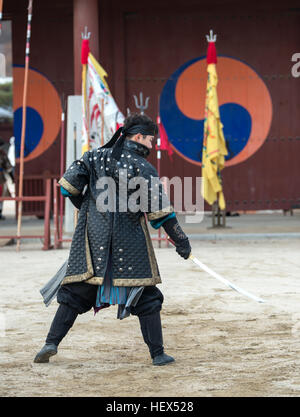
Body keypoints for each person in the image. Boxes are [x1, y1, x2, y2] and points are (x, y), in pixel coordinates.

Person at [34, 114, 191, 366]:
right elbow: (161, 214)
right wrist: (181, 241)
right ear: (139, 137)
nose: (152, 145)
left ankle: (50, 343)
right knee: (146, 296)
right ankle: (158, 354)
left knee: (75, 292)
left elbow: (67, 187)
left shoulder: (93, 156)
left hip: (91, 236)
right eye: (151, 140)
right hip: (129, 240)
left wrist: (88, 206)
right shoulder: (143, 167)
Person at [0, 139, 14, 220]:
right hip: (1, 179)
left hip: (0, 179)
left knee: (1, 197)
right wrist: (12, 177)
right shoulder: (2, 154)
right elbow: (8, 168)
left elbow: (8, 167)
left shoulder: (2, 154)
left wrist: (12, 177)